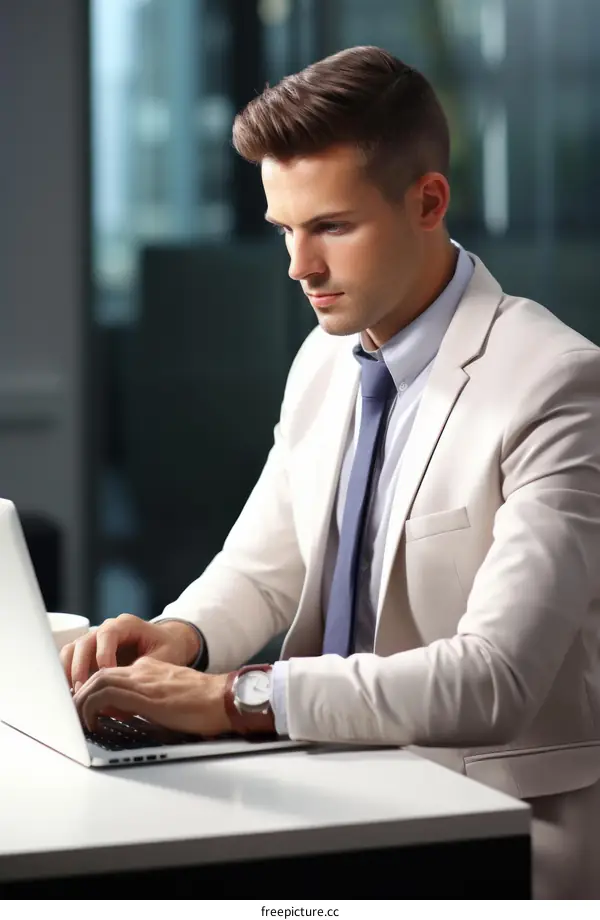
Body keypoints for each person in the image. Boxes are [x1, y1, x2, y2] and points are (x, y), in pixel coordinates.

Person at [61, 46, 600, 897]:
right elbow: (263, 566)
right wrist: (183, 637)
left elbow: (494, 681)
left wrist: (235, 699)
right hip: (326, 794)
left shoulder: (557, 383)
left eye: (331, 228)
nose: (298, 266)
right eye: (285, 229)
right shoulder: (325, 356)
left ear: (428, 202)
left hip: (495, 834)